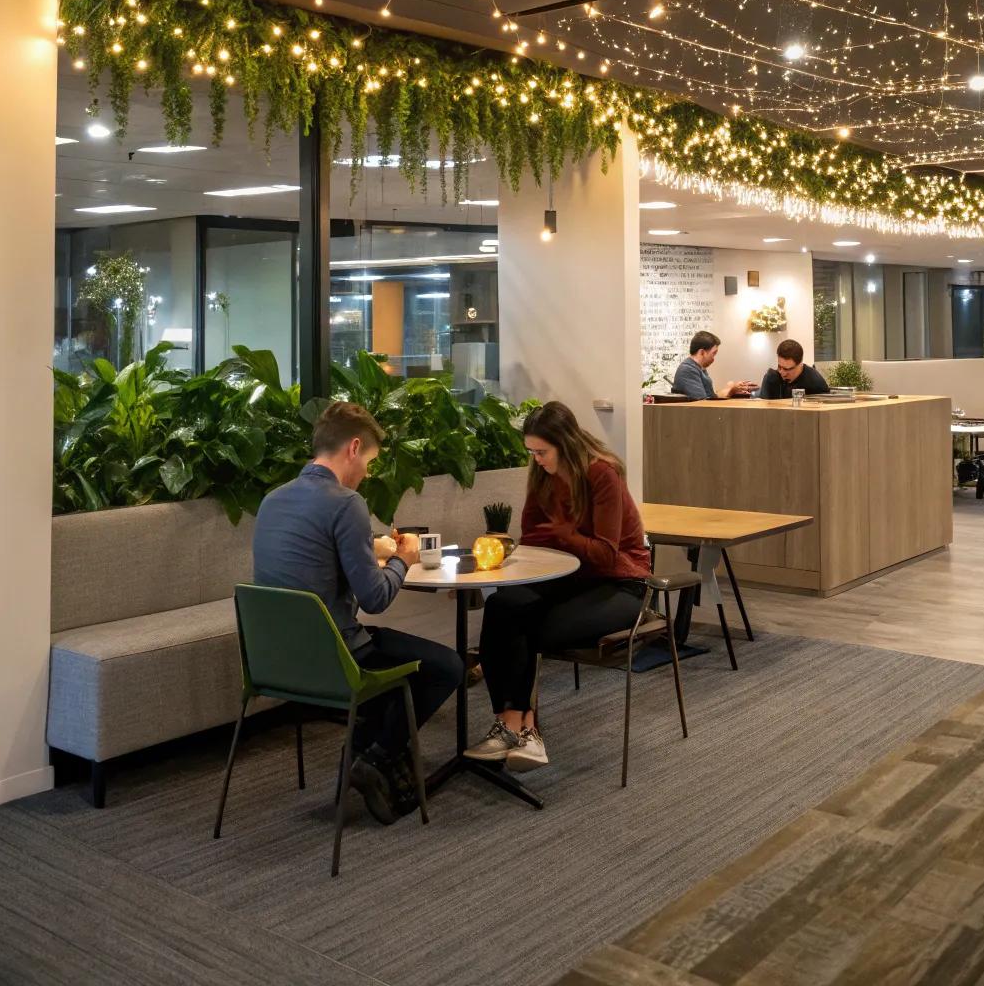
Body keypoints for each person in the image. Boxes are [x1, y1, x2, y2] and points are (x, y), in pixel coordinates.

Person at [252, 400, 462, 825]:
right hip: (337, 662)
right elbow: (375, 599)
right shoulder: (346, 503)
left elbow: (315, 564)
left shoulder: (273, 500)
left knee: (394, 668)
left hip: (277, 662)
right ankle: (374, 759)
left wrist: (371, 548)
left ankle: (366, 757)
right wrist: (403, 557)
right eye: (369, 461)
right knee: (447, 666)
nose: (367, 472)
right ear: (352, 448)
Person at [465, 401, 651, 773]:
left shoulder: (602, 475)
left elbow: (604, 554)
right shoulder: (543, 475)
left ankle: (523, 729)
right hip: (569, 576)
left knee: (530, 625)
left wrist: (564, 534)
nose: (537, 459)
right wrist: (556, 540)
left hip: (621, 582)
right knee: (503, 605)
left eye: (542, 452)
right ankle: (515, 725)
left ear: (564, 444)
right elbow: (532, 535)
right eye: (531, 452)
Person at [671, 330, 756, 399]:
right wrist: (730, 388)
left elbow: (711, 396)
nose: (714, 358)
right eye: (713, 353)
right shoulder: (688, 369)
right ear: (702, 352)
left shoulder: (699, 368)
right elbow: (703, 403)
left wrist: (732, 389)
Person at [758, 339, 830, 399]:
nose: (782, 373)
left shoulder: (815, 383)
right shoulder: (772, 378)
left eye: (787, 369)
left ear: (800, 364)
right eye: (779, 367)